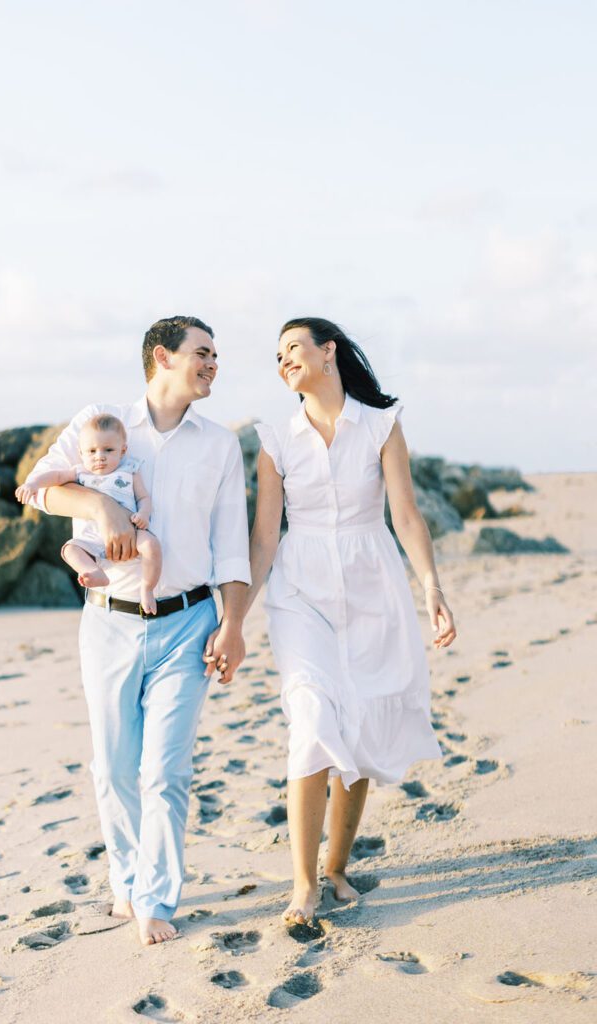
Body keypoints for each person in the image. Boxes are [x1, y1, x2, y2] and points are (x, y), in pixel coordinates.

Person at [18, 316, 250, 946]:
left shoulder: (220, 446)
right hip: (109, 625)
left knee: (165, 772)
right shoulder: (103, 424)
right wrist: (98, 504)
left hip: (189, 623)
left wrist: (233, 625)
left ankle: (156, 900)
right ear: (162, 357)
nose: (212, 365)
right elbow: (35, 493)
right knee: (115, 768)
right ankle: (126, 882)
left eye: (215, 355)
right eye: (202, 353)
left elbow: (232, 549)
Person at [246, 317, 456, 925]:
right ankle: (304, 885)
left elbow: (407, 516)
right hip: (300, 589)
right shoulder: (275, 439)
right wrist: (234, 617)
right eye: (277, 355)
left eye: (293, 348)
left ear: (328, 351)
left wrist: (432, 588)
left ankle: (338, 866)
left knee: (359, 726)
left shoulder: (382, 426)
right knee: (312, 718)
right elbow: (264, 536)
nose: (284, 360)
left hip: (372, 584)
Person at [16, 413, 162, 613]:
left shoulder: (129, 471)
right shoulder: (80, 473)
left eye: (108, 450)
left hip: (130, 529)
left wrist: (143, 514)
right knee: (70, 550)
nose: (99, 456)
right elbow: (56, 476)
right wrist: (33, 483)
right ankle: (92, 570)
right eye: (92, 451)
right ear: (81, 453)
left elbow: (144, 498)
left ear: (123, 450)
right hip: (90, 537)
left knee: (152, 546)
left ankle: (146, 588)